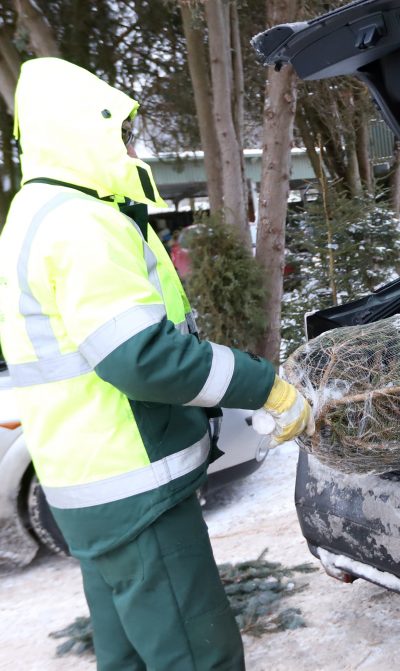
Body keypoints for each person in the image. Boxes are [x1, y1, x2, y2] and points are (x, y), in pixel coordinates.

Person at [0, 57, 310, 670]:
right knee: (198, 654)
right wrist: (264, 387)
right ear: (81, 128)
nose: (129, 143)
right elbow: (141, 357)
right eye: (118, 128)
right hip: (134, 483)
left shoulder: (29, 218)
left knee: (127, 652)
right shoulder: (82, 223)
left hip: (83, 481)